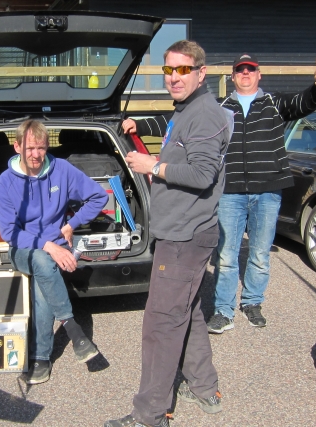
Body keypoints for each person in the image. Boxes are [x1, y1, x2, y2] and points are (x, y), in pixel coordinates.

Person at [107, 40, 232, 427]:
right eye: (168, 70)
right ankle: (205, 387)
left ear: (200, 72)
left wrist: (153, 165)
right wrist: (140, 128)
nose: (173, 78)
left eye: (182, 70)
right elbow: (176, 135)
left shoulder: (206, 115)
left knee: (161, 325)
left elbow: (200, 174)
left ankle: (150, 414)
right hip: (182, 233)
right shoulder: (187, 110)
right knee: (187, 311)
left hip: (184, 238)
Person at [204, 53, 316, 334]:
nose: (245, 73)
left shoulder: (275, 103)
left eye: (251, 69)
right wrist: (139, 124)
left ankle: (252, 302)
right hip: (230, 192)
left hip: (268, 192)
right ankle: (224, 311)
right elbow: (184, 121)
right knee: (226, 254)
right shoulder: (220, 107)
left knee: (260, 253)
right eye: (240, 70)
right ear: (233, 76)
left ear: (259, 74)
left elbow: (305, 102)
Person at [0, 119, 108, 385]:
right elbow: (9, 232)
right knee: (42, 260)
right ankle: (72, 327)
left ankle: (40, 359)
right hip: (23, 249)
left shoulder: (61, 170)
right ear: (17, 147)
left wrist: (71, 224)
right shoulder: (5, 182)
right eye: (30, 148)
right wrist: (47, 245)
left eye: (42, 148)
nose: (36, 155)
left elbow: (98, 197)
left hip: (54, 250)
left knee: (44, 275)